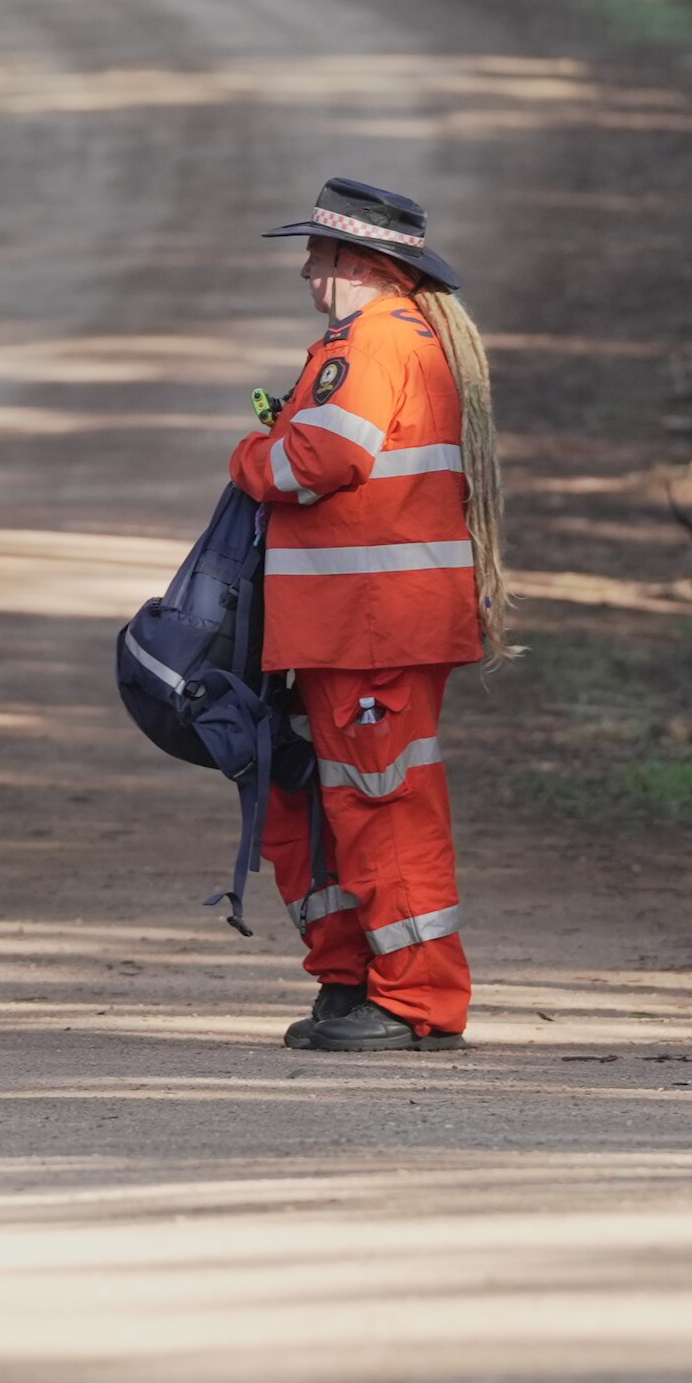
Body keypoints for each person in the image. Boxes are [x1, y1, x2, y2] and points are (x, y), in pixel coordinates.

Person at [231, 177, 503, 1051]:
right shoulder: (399, 336)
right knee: (350, 805)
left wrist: (252, 455)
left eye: (317, 253)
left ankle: (417, 998)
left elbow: (318, 458)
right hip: (362, 625)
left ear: (357, 261)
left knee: (386, 807)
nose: (307, 269)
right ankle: (362, 981)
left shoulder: (377, 340)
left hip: (373, 627)